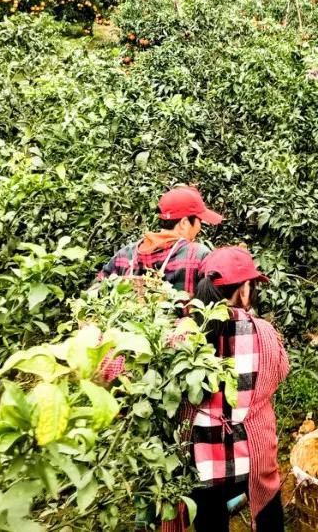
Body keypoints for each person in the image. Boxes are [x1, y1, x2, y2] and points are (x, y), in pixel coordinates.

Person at [171, 246, 289, 532]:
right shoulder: (263, 331)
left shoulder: (182, 333)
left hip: (202, 461)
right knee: (269, 515)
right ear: (244, 290)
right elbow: (280, 372)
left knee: (210, 521)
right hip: (253, 456)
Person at [96, 185, 222, 299]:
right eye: (199, 221)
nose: (200, 227)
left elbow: (96, 291)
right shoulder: (198, 255)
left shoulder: (125, 254)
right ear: (184, 223)